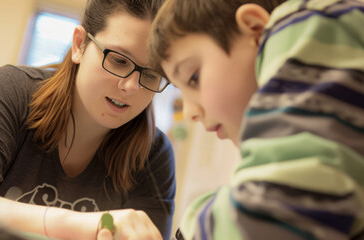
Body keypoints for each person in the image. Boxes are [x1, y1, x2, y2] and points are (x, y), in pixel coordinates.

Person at [0, 0, 176, 239]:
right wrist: (72, 224)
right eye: (119, 60)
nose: (131, 86)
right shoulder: (11, 91)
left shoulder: (154, 154)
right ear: (79, 45)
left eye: (152, 74)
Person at [149, 0, 364, 239]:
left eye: (194, 77)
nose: (190, 112)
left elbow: (279, 206)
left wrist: (189, 232)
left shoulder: (311, 23)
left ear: (255, 29)